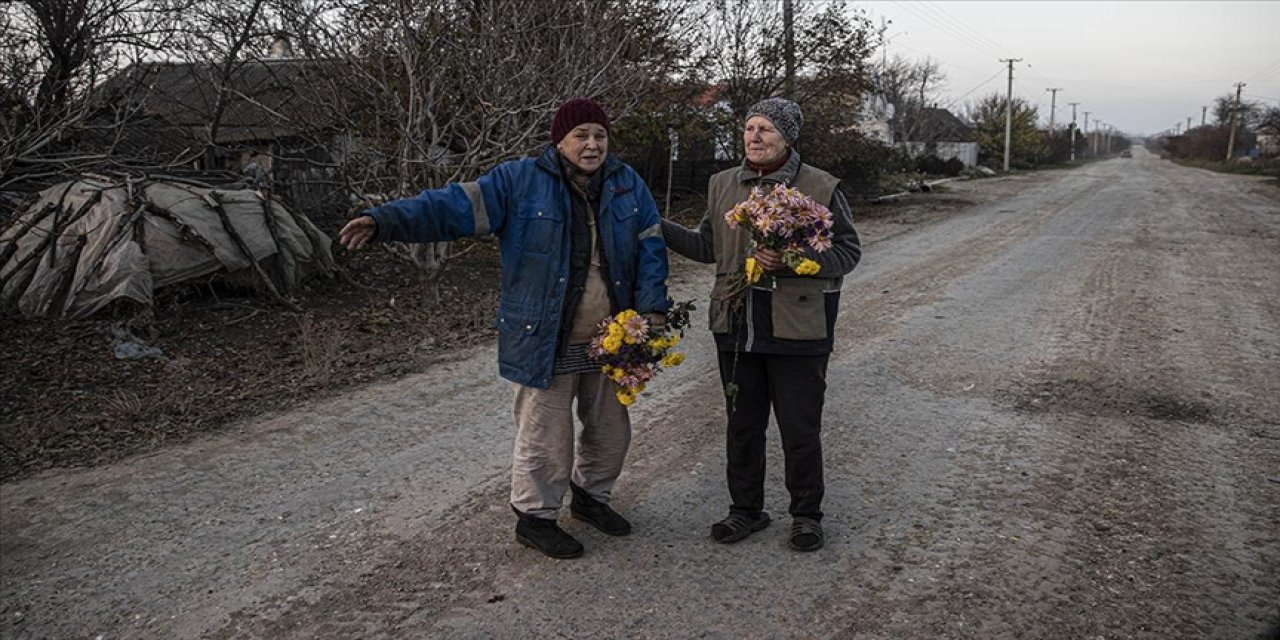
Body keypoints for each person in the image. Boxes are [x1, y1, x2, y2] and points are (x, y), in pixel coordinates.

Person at [339, 97, 671, 559]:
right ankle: (535, 519)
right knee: (545, 436)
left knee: (610, 430)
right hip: (546, 336)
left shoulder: (626, 184)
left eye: (599, 135)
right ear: (559, 139)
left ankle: (593, 498)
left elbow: (650, 246)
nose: (592, 144)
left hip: (612, 339)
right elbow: (451, 207)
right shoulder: (518, 181)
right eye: (581, 135)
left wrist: (652, 310)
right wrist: (385, 220)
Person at [661, 97, 861, 552]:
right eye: (750, 128)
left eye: (765, 129)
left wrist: (793, 261)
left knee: (799, 428)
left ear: (786, 137)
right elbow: (708, 246)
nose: (754, 137)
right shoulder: (722, 184)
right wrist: (657, 226)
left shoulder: (820, 187)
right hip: (736, 327)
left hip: (799, 327)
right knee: (742, 425)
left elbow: (848, 254)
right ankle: (745, 511)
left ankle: (806, 516)